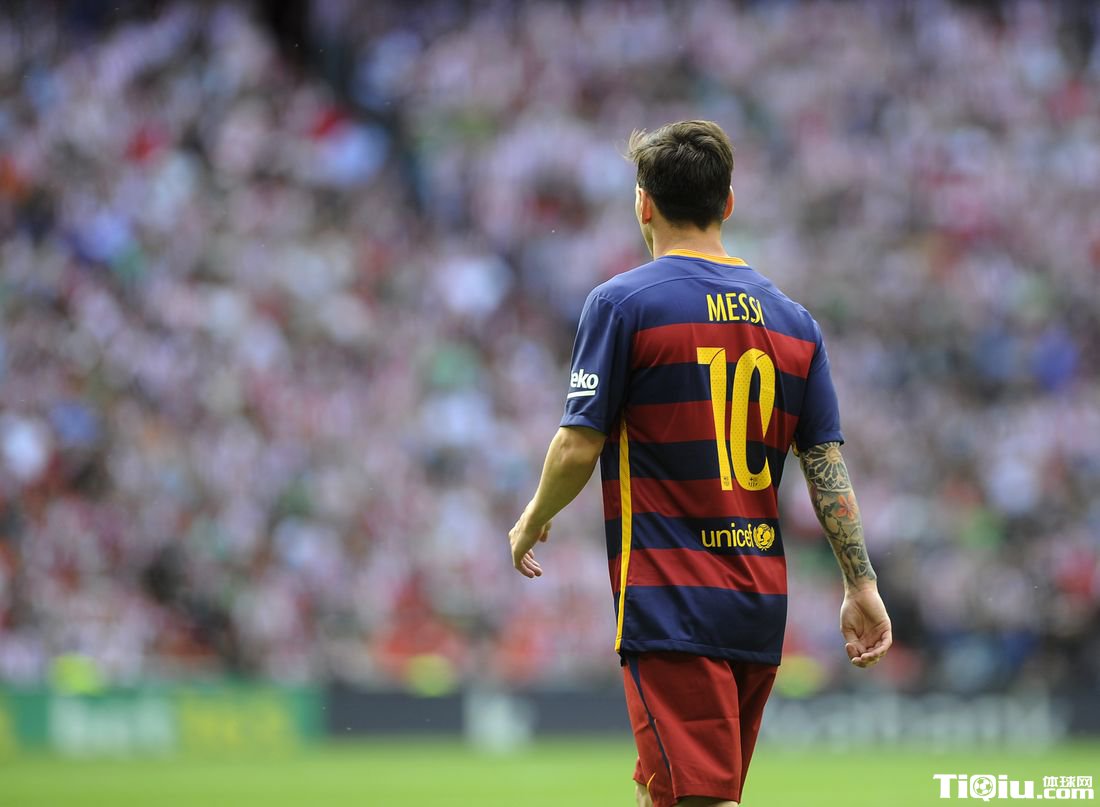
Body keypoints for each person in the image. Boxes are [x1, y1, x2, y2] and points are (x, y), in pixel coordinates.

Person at [508, 120, 892, 807]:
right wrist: (859, 580)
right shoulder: (795, 323)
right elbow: (824, 464)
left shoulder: (623, 303)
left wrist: (533, 516)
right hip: (757, 602)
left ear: (643, 204)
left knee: (699, 799)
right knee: (666, 788)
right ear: (729, 204)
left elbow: (578, 444)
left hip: (672, 600)